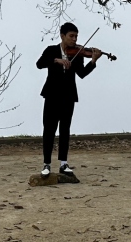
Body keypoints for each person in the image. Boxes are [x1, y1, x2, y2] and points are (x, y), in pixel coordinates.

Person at [36, 22, 102, 177]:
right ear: (62, 36)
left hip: (69, 96)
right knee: (49, 129)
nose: (74, 39)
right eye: (71, 36)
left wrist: (93, 61)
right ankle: (46, 164)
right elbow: (39, 64)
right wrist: (56, 60)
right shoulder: (51, 50)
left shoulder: (77, 55)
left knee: (65, 129)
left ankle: (63, 164)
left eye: (76, 36)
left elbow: (82, 73)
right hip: (51, 95)